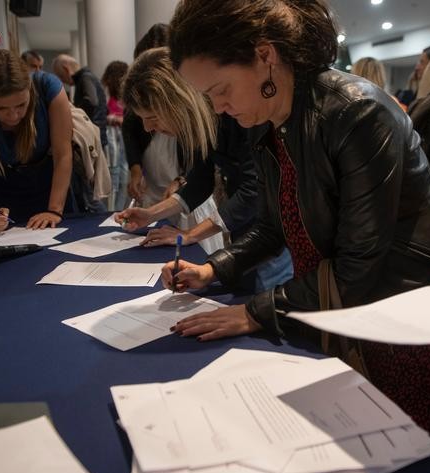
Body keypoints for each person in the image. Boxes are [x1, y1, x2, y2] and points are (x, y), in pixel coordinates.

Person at [163, 0, 430, 472]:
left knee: (423, 452)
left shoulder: (358, 112)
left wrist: (254, 311)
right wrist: (214, 268)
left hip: (418, 298)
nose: (218, 108)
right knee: (364, 439)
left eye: (220, 90)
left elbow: (358, 265)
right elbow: (274, 224)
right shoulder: (266, 121)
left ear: (265, 56)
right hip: (351, 294)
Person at [116, 47, 292, 292]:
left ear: (178, 102)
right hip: (246, 229)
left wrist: (190, 234)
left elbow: (254, 190)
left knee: (264, 299)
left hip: (271, 236)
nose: (147, 128)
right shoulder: (204, 120)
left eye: (153, 117)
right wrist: (151, 214)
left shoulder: (238, 114)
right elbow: (200, 177)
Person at [0, 49, 72, 231]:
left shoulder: (48, 89)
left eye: (21, 105)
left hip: (55, 191)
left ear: (30, 93)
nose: (13, 115)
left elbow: (63, 154)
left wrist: (54, 210)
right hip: (6, 202)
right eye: (2, 108)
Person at [121, 23, 184, 207]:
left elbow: (202, 169)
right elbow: (129, 128)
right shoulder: (137, 100)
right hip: (152, 186)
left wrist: (182, 179)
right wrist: (135, 169)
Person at [53, 54, 108, 148]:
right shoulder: (86, 77)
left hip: (93, 136)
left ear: (66, 69)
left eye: (61, 76)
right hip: (96, 134)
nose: (62, 81)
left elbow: (91, 101)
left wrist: (72, 112)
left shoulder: (85, 77)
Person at [101, 60, 130, 211]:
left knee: (123, 174)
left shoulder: (127, 95)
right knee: (114, 173)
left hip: (123, 136)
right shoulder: (106, 93)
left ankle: (118, 211)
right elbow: (100, 116)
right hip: (112, 137)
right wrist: (113, 119)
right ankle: (111, 212)